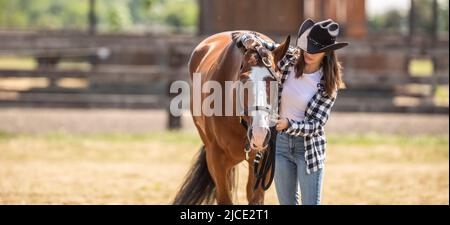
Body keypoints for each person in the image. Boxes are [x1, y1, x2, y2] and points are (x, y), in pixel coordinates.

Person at [239, 18, 349, 205]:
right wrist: (248, 40)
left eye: (315, 50)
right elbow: (251, 38)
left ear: (327, 52)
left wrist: (289, 124)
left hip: (308, 150)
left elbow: (316, 124)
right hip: (281, 145)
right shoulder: (290, 59)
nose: (308, 53)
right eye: (307, 47)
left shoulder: (328, 85)